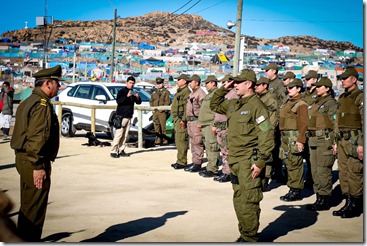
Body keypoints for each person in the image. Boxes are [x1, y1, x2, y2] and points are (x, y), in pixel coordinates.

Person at [210, 69, 274, 242]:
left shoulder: (257, 107)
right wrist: (225, 88)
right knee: (239, 199)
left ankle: (250, 237)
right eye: (234, 82)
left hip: (249, 161)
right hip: (235, 160)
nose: (235, 85)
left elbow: (266, 135)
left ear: (249, 84)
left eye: (238, 82)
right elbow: (214, 105)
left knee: (249, 200)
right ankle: (245, 233)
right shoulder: (235, 104)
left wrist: (261, 162)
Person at [10, 65, 61, 241]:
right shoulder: (41, 105)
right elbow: (37, 138)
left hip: (24, 159)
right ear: (47, 83)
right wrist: (38, 166)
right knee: (35, 210)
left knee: (28, 206)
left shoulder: (29, 101)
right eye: (57, 83)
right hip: (33, 161)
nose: (59, 87)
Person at [332, 67, 363, 218]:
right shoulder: (342, 98)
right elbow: (338, 120)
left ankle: (356, 205)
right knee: (343, 172)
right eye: (341, 78)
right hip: (342, 140)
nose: (342, 81)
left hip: (355, 140)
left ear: (354, 79)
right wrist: (335, 141)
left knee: (354, 172)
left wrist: (362, 144)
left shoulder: (360, 97)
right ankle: (348, 202)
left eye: (345, 78)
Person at [305, 77, 337, 211]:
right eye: (316, 86)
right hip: (313, 140)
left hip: (324, 141)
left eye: (320, 86)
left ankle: (324, 199)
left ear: (327, 88)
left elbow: (335, 123)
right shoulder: (316, 102)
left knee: (323, 170)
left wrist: (334, 142)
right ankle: (318, 197)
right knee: (315, 171)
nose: (317, 88)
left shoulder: (331, 103)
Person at [279, 78, 308, 202]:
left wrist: (301, 140)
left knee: (295, 164)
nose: (288, 89)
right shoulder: (287, 102)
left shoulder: (301, 104)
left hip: (294, 137)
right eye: (288, 88)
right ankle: (292, 188)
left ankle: (296, 190)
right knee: (289, 163)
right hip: (285, 136)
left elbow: (304, 124)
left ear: (298, 89)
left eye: (291, 88)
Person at [212, 74, 239, 183]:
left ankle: (228, 173)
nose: (223, 84)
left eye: (225, 82)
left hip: (226, 127)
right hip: (220, 126)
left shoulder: (233, 94)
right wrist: (215, 124)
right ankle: (226, 171)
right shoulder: (226, 94)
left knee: (227, 151)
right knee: (223, 151)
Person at [254, 76, 279, 192]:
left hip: (266, 130)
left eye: (258, 85)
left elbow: (274, 117)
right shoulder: (258, 97)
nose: (256, 87)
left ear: (265, 86)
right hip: (258, 130)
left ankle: (265, 181)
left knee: (267, 156)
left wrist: (270, 130)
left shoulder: (270, 98)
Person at [264, 63, 286, 183]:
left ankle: (278, 172)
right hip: (266, 119)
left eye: (268, 70)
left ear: (274, 71)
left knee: (276, 147)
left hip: (275, 120)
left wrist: (278, 120)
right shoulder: (267, 83)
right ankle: (272, 170)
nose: (266, 72)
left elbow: (282, 102)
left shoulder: (279, 84)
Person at [110, 76, 142, 158]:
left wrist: (137, 97)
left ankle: (121, 150)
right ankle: (113, 151)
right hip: (121, 116)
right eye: (130, 83)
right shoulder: (122, 91)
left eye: (133, 83)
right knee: (118, 134)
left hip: (129, 116)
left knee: (125, 136)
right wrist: (126, 96)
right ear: (127, 83)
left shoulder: (132, 92)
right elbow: (119, 101)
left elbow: (138, 102)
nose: (131, 85)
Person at [197, 75, 220, 178]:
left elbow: (216, 111)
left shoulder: (216, 94)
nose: (205, 85)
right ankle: (210, 165)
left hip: (211, 124)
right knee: (208, 147)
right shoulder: (209, 94)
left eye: (207, 83)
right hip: (206, 124)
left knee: (212, 146)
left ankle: (213, 169)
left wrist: (215, 124)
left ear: (213, 83)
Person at [183, 74, 206, 173]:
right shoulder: (193, 93)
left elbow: (203, 110)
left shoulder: (200, 94)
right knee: (193, 142)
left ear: (196, 83)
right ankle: (194, 161)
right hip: (190, 121)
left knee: (197, 142)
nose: (189, 83)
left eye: (191, 82)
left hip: (196, 121)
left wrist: (200, 122)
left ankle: (198, 163)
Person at [302, 70, 319, 188]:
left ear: (314, 80)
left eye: (308, 79)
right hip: (306, 126)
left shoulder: (319, 92)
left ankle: (315, 180)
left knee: (315, 157)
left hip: (315, 126)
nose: (306, 81)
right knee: (307, 156)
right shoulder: (306, 93)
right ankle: (310, 178)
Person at [170, 74, 191, 170]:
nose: (177, 81)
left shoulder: (186, 93)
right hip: (177, 119)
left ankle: (182, 161)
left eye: (179, 80)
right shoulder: (180, 92)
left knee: (182, 140)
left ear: (184, 81)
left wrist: (183, 119)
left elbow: (187, 108)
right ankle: (180, 160)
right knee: (178, 141)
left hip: (181, 120)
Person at [149, 77, 171, 146]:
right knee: (156, 126)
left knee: (163, 127)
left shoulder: (166, 92)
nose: (159, 85)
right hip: (155, 112)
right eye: (157, 83)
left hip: (162, 112)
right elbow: (151, 101)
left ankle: (164, 140)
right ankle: (158, 140)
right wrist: (152, 108)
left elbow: (167, 101)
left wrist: (163, 109)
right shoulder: (154, 92)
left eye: (160, 83)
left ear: (162, 83)